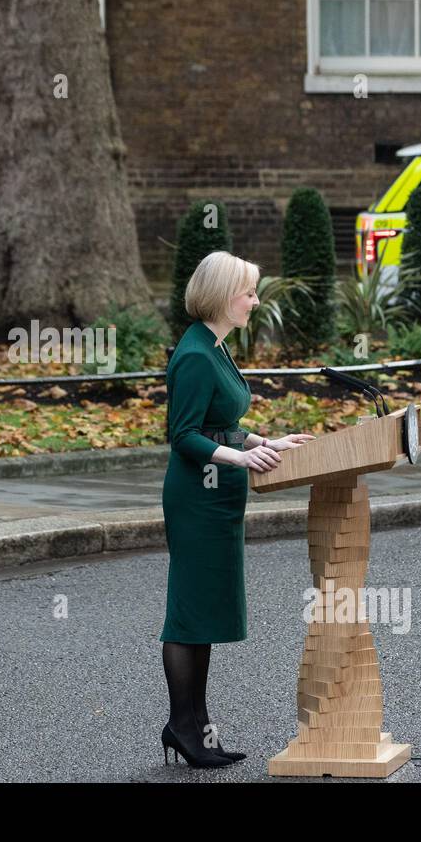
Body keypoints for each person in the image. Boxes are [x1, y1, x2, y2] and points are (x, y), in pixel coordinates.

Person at [159, 250, 316, 768]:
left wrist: (264, 440)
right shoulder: (196, 354)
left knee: (202, 612)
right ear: (225, 295)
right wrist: (243, 456)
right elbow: (183, 436)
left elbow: (216, 422)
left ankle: (193, 727)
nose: (254, 300)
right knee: (188, 613)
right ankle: (184, 726)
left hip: (218, 496)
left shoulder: (214, 345)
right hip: (196, 500)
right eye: (248, 292)